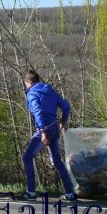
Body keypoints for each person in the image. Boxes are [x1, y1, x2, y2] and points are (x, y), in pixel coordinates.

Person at [19, 70, 77, 201]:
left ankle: (31, 192)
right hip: (55, 127)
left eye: (25, 83)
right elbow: (66, 106)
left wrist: (43, 132)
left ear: (28, 82)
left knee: (27, 157)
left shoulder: (32, 93)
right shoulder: (49, 90)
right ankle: (69, 193)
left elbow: (38, 112)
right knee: (57, 160)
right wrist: (64, 121)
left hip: (44, 129)